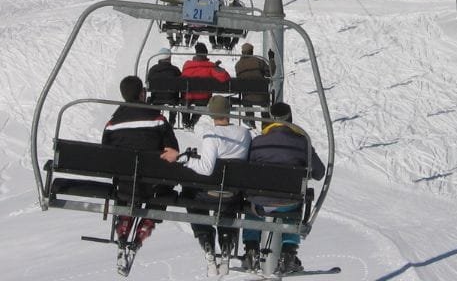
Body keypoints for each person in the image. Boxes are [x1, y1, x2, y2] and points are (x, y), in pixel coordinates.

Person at [102, 76, 180, 267]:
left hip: (124, 185)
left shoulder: (112, 124)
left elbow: (106, 155)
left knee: (128, 185)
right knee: (165, 189)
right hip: (153, 186)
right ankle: (144, 227)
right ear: (142, 94)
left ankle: (123, 226)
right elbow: (172, 151)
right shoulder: (157, 119)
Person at [241, 102, 325, 274]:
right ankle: (288, 253)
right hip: (288, 202)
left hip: (260, 203)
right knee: (293, 210)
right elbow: (319, 172)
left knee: (252, 211)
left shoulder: (258, 142)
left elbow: (248, 169)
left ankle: (251, 248)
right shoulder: (302, 142)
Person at [180, 95, 252, 268]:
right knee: (228, 204)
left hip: (209, 194)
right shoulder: (244, 133)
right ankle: (226, 239)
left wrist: (187, 160)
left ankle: (205, 236)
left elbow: (206, 168)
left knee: (190, 197)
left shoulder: (211, 134)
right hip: (232, 194)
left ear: (211, 114)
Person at [180, 42, 231, 129]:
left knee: (185, 100)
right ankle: (192, 122)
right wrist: (217, 68)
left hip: (187, 96)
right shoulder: (210, 67)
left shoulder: (187, 65)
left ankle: (185, 121)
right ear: (206, 54)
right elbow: (225, 77)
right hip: (203, 98)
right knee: (201, 103)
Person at [234, 43, 276, 128]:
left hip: (246, 98)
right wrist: (271, 59)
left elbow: (239, 80)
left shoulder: (238, 65)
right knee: (264, 102)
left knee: (246, 91)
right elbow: (271, 72)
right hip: (262, 97)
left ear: (242, 52)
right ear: (252, 52)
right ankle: (266, 124)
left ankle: (250, 119)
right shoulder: (258, 61)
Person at [146, 48, 182, 127]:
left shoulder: (153, 70)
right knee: (174, 100)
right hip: (172, 99)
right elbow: (180, 84)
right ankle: (172, 121)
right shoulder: (175, 70)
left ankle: (156, 119)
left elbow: (148, 83)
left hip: (156, 98)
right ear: (169, 58)